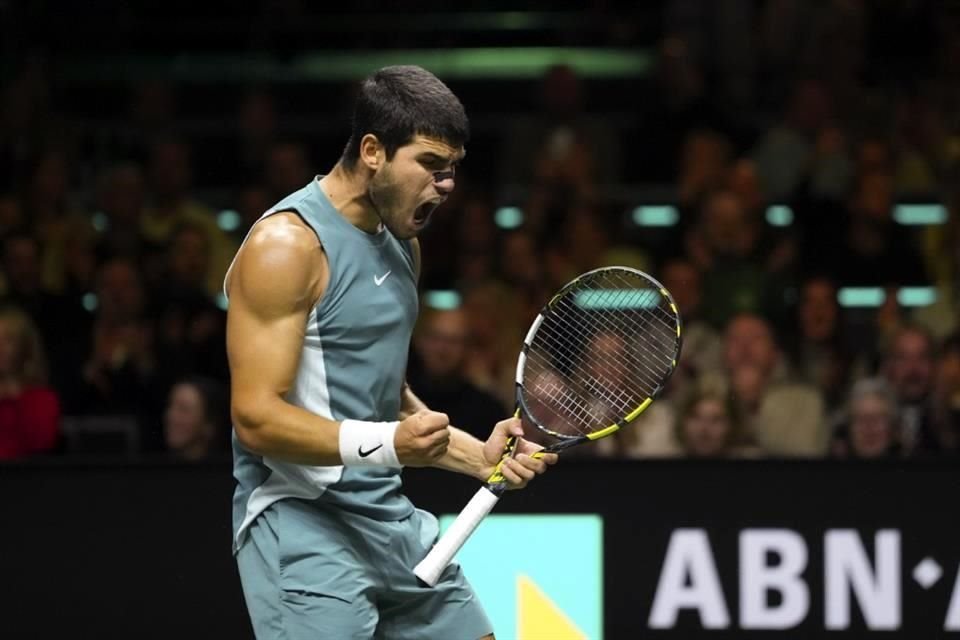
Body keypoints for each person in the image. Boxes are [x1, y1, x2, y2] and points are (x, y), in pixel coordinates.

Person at [225, 65, 557, 640]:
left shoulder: (403, 245)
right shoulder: (286, 246)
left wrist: (476, 456)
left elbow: (381, 393)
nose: (446, 184)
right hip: (303, 522)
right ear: (373, 150)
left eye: (452, 169)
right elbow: (255, 418)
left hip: (389, 520)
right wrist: (387, 445)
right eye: (430, 164)